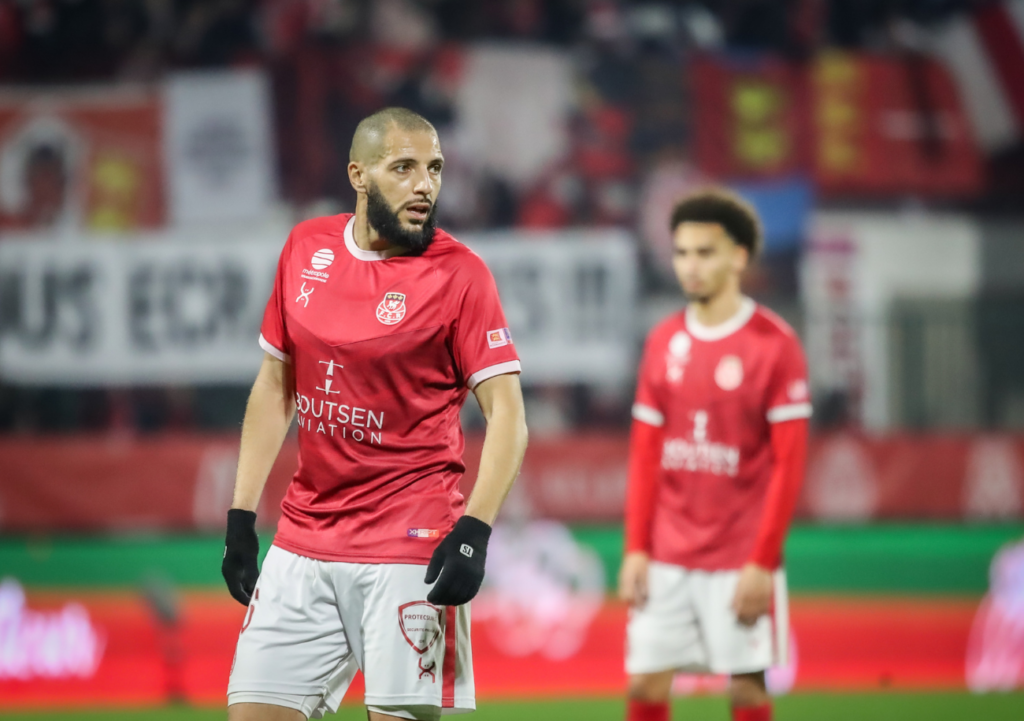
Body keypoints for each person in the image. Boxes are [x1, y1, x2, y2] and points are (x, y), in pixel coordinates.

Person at [221, 107, 528, 721]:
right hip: (303, 540)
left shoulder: (461, 275)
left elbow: (508, 417)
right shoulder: (305, 247)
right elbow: (276, 386)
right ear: (358, 175)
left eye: (434, 169)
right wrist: (240, 517)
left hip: (409, 545)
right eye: (404, 168)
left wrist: (474, 532)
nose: (424, 185)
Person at [619, 189, 810, 721]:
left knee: (746, 690)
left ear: (739, 257)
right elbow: (645, 457)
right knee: (645, 683)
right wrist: (635, 548)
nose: (691, 266)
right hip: (667, 553)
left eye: (705, 252)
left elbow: (789, 466)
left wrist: (762, 563)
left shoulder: (775, 345)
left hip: (739, 556)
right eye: (682, 253)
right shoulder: (662, 342)